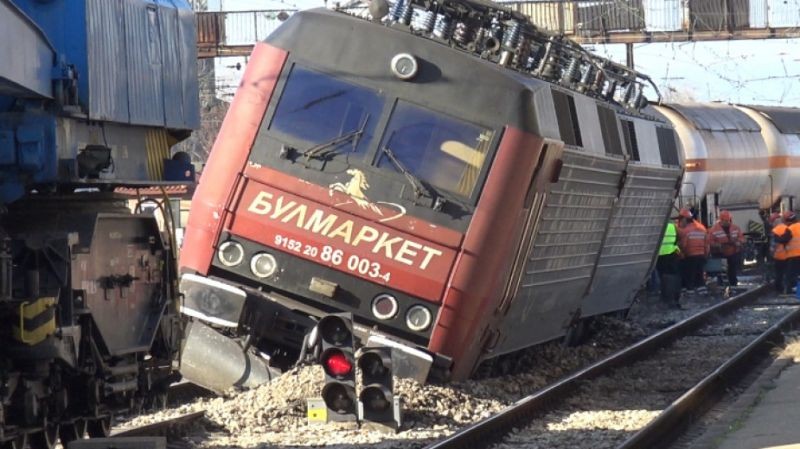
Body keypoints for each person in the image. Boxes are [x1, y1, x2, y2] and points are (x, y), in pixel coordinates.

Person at [707, 210, 745, 286]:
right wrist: (718, 245)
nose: (728, 222)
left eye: (729, 220)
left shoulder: (735, 228)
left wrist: (738, 242)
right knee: (721, 271)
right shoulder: (714, 230)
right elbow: (710, 242)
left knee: (732, 270)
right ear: (721, 220)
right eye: (726, 220)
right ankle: (722, 284)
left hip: (733, 252)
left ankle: (733, 283)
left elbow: (741, 238)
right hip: (720, 253)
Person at [677, 208, 708, 295]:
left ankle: (690, 294)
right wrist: (706, 255)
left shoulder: (685, 231)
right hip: (701, 255)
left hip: (690, 256)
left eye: (680, 219)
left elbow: (683, 245)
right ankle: (703, 293)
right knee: (700, 276)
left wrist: (680, 254)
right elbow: (707, 244)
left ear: (684, 219)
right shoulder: (702, 228)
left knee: (689, 277)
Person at [657, 217, 681, 307]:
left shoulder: (657, 226)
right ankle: (674, 296)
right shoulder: (673, 226)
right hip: (672, 253)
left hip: (660, 255)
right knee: (673, 275)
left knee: (662, 275)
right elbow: (678, 238)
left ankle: (665, 296)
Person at [775, 211, 800, 295]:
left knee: (792, 275)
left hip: (793, 255)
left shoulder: (790, 229)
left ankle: (793, 291)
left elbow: (784, 239)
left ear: (787, 221)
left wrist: (777, 238)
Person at [770, 212, 789, 294]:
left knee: (779, 274)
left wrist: (771, 254)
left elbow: (773, 246)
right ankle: (787, 289)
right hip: (788, 255)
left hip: (778, 256)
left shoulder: (775, 231)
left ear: (774, 222)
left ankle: (779, 290)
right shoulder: (787, 228)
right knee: (787, 273)